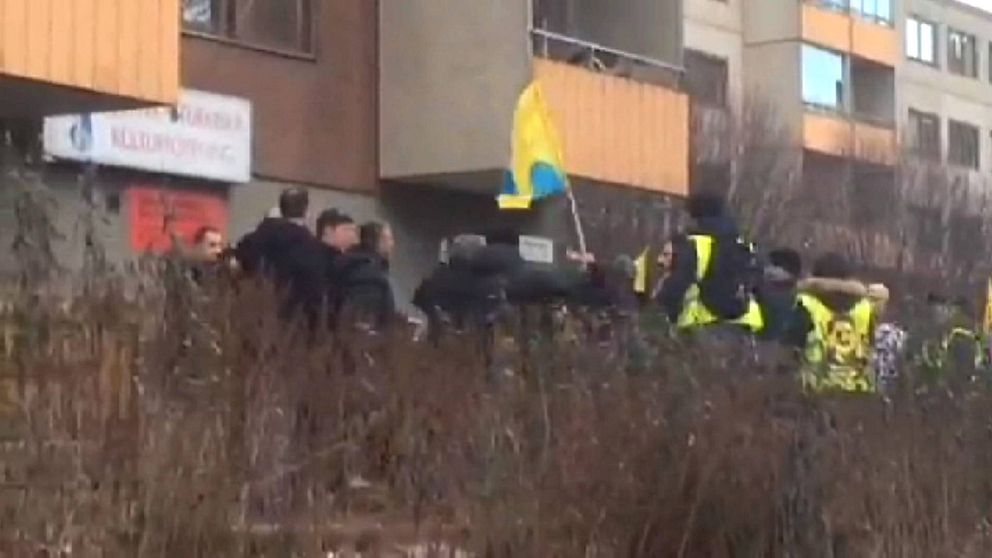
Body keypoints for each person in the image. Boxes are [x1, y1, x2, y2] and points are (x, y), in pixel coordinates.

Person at [658, 192, 763, 337]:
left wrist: (662, 311)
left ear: (697, 216)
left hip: (706, 325)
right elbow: (760, 283)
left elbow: (676, 285)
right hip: (744, 326)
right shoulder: (744, 245)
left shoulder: (695, 244)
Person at [233, 187, 325, 325]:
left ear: (280, 208)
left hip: (250, 317)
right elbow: (314, 291)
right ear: (306, 211)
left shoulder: (253, 240)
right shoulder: (311, 248)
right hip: (291, 323)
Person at [790, 253, 875, 393]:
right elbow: (871, 349)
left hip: (814, 393)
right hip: (858, 394)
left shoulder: (805, 305)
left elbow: (791, 351)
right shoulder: (865, 308)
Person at [337, 221, 396, 331]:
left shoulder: (352, 263)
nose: (392, 244)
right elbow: (362, 322)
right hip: (358, 343)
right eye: (389, 239)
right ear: (378, 242)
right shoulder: (370, 277)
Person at [315, 208, 360, 324]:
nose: (353, 237)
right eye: (347, 230)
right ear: (328, 231)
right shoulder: (328, 262)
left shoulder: (347, 261)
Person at [757, 248, 803, 344]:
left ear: (787, 273)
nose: (769, 269)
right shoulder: (765, 280)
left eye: (774, 266)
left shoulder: (785, 297)